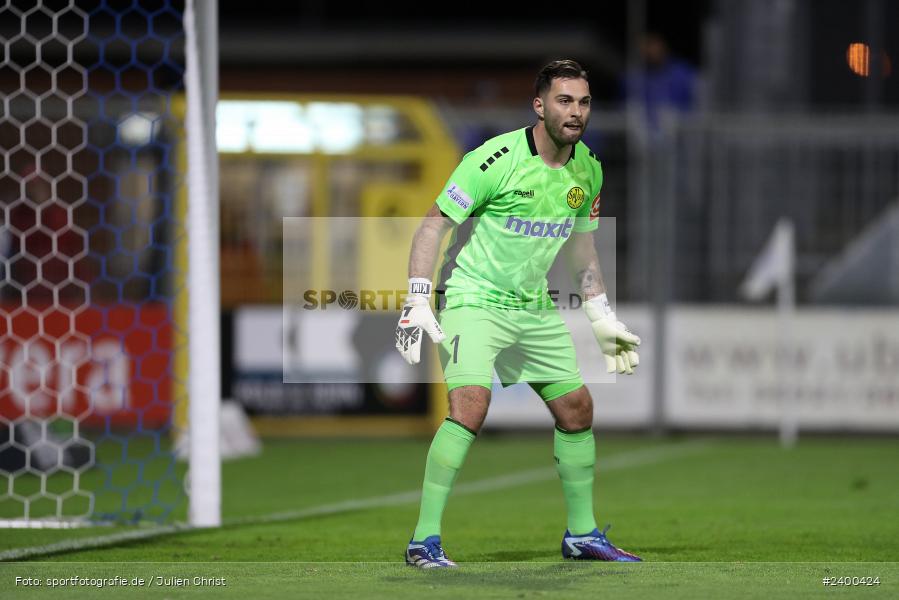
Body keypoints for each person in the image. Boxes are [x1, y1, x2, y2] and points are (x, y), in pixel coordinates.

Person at [394, 60, 642, 568]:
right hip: (473, 299)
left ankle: (581, 535)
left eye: (584, 101)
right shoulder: (494, 160)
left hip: (532, 307)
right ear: (540, 105)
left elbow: (582, 249)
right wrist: (418, 296)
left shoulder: (588, 169)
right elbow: (432, 225)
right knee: (470, 405)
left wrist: (600, 317)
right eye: (564, 100)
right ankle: (423, 540)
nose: (575, 112)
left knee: (577, 410)